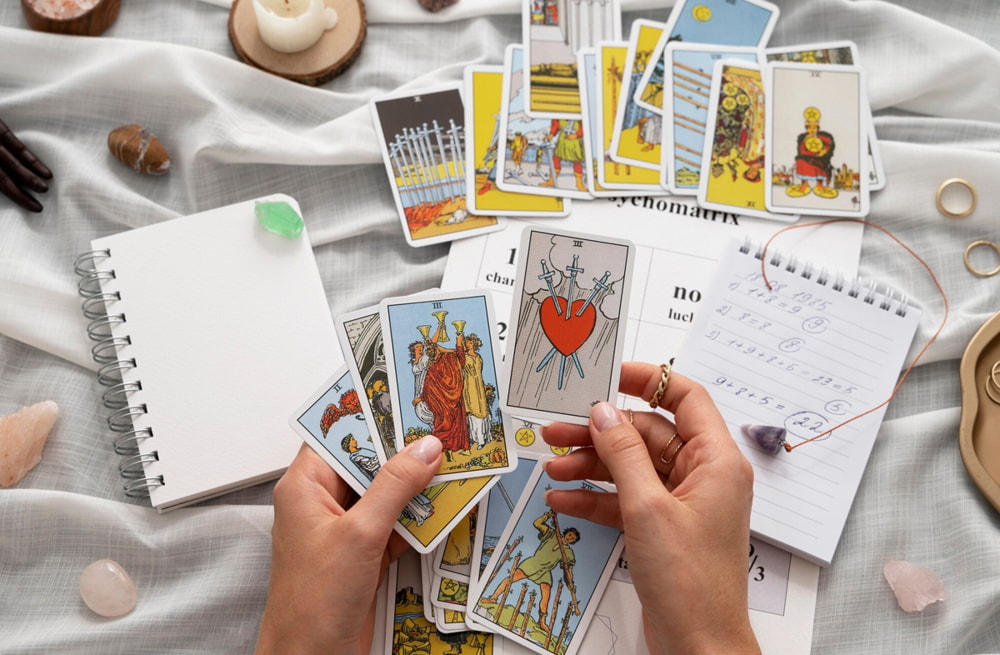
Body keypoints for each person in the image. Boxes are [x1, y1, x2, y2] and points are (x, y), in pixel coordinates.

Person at [255, 362, 760, 655]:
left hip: (528, 559)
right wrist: (710, 639)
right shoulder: (549, 536)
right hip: (482, 513)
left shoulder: (555, 542)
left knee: (530, 593)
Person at [482, 509, 578, 628]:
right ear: (566, 533)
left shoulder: (568, 553)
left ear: (573, 541)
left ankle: (541, 620)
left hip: (545, 571)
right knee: (511, 578)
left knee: (546, 594)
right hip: (533, 563)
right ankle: (493, 598)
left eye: (573, 538)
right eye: (570, 535)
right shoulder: (552, 534)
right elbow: (537, 524)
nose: (570, 538)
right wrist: (547, 515)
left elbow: (568, 571)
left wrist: (570, 583)